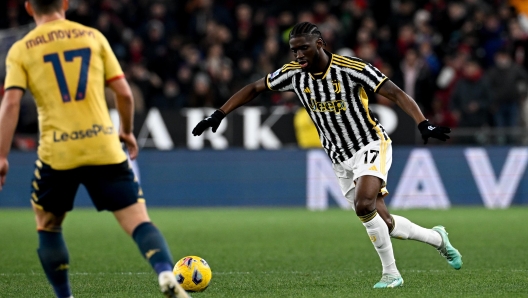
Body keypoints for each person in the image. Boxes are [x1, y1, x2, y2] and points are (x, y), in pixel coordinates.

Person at [192, 22, 462, 288]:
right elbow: (254, 88)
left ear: (319, 44)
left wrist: (422, 122)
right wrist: (218, 114)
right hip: (338, 156)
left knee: (363, 204)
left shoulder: (351, 68)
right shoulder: (294, 73)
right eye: (294, 50)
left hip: (369, 143)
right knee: (385, 222)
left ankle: (391, 274)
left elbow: (395, 92)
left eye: (304, 49)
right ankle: (437, 238)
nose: (298, 56)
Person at [0, 1, 189, 297]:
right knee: (138, 219)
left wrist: (1, 157)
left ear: (28, 8)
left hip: (58, 151)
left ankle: (65, 296)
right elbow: (124, 93)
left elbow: (10, 103)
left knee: (48, 225)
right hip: (103, 145)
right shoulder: (92, 36)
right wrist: (125, 131)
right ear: (64, 3)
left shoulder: (22, 49)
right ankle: (166, 272)